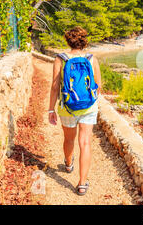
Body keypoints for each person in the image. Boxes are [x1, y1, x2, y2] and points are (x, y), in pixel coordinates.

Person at [47, 27, 102, 196]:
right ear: (84, 41)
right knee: (85, 143)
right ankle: (82, 183)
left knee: (69, 139)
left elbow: (55, 86)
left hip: (67, 108)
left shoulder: (61, 59)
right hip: (88, 107)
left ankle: (69, 163)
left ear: (68, 41)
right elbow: (98, 86)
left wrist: (51, 109)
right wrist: (90, 102)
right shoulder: (91, 59)